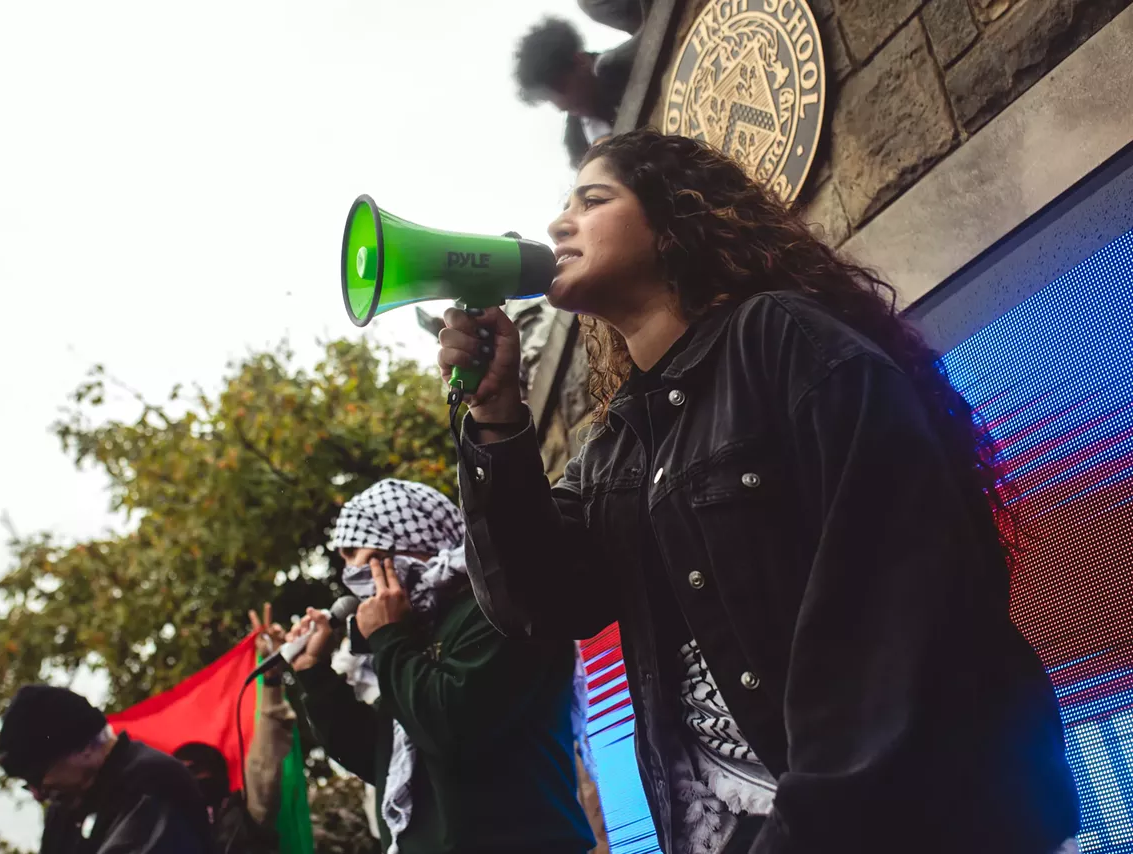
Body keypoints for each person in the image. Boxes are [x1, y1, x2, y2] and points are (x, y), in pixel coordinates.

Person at [436, 128, 1081, 854]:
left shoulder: (784, 340)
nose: (560, 222)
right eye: (564, 206)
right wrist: (494, 419)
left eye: (593, 199)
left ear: (672, 219)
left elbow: (892, 605)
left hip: (906, 824)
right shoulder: (619, 445)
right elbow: (537, 599)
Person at [283, 478, 596, 854]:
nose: (352, 579)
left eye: (358, 558)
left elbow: (452, 727)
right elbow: (382, 759)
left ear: (410, 547)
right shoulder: (416, 633)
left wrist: (388, 639)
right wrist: (313, 673)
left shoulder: (498, 608)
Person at [0, 684, 213, 854]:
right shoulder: (65, 811)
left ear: (83, 747)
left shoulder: (153, 783)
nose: (37, 794)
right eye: (28, 785)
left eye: (37, 777)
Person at [174, 605, 297, 854]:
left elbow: (264, 759)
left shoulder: (246, 815)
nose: (193, 779)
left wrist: (271, 675)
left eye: (198, 769)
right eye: (183, 771)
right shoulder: (162, 828)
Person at [514, 17, 637, 168]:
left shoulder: (632, 60)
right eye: (548, 98)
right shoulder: (579, 145)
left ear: (580, 61)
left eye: (561, 87)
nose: (560, 106)